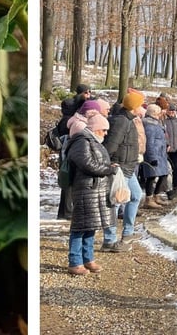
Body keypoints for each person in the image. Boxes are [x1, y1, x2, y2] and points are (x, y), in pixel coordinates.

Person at [66, 112, 119, 275]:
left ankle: (88, 258)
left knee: (91, 226)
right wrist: (109, 169)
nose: (106, 133)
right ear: (95, 129)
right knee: (79, 227)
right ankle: (75, 261)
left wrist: (109, 166)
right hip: (85, 189)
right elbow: (87, 165)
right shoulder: (81, 142)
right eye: (104, 130)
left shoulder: (93, 141)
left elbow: (96, 162)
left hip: (95, 190)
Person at [102, 90, 146, 252]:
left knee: (135, 196)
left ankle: (128, 232)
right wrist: (109, 164)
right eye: (141, 105)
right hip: (120, 167)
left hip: (129, 167)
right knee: (115, 201)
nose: (143, 108)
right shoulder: (121, 121)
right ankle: (109, 240)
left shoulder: (129, 119)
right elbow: (111, 145)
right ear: (134, 107)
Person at [58, 97, 107, 220]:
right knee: (70, 187)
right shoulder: (81, 126)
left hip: (74, 158)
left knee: (70, 187)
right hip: (75, 160)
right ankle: (68, 212)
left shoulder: (81, 122)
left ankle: (66, 212)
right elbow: (82, 148)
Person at [140, 104, 170, 209]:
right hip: (154, 154)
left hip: (160, 153)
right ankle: (148, 199)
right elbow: (149, 143)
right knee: (151, 176)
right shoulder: (150, 125)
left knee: (164, 175)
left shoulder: (157, 123)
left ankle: (156, 195)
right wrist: (152, 157)